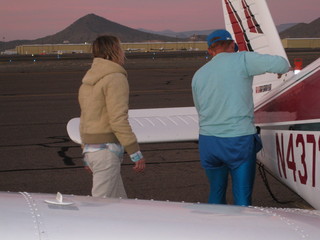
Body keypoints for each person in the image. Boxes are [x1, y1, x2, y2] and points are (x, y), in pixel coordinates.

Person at [191, 29, 290, 206]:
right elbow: (282, 65)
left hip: (208, 141)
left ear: (210, 51)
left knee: (216, 191)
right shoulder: (243, 59)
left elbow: (200, 108)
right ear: (231, 46)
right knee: (242, 197)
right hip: (237, 140)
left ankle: (216, 230)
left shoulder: (198, 74)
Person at [78, 35, 146, 198]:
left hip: (92, 150)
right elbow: (118, 119)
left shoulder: (88, 81)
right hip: (106, 152)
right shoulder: (115, 78)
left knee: (119, 204)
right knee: (100, 206)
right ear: (115, 51)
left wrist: (85, 152)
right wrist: (134, 151)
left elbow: (84, 119)